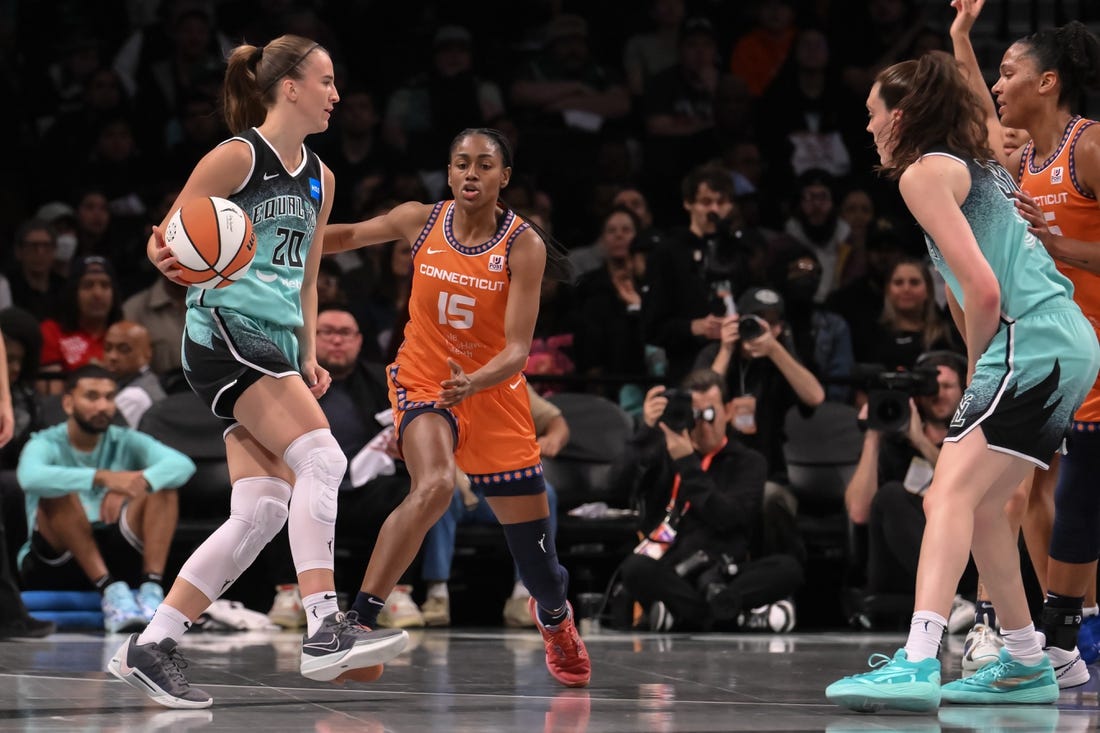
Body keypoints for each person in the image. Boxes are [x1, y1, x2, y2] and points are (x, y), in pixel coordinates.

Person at [106, 35, 409, 711]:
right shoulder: (237, 156)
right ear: (290, 87)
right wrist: (193, 263)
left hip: (272, 342)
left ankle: (152, 642)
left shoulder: (321, 177)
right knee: (324, 460)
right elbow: (165, 241)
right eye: (327, 82)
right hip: (222, 330)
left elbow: (305, 274)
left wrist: (305, 350)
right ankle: (326, 625)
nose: (337, 95)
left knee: (263, 508)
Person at [825, 51, 1099, 711]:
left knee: (943, 494)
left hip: (1027, 341)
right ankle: (1028, 661)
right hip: (1070, 342)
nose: (868, 129)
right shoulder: (976, 165)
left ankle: (918, 657)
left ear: (903, 115)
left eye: (872, 115)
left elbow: (981, 289)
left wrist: (980, 371)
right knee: (981, 507)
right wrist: (960, 35)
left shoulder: (922, 173)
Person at [322, 126, 591, 688]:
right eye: (462, 164)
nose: (472, 174)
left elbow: (518, 351)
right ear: (448, 173)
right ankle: (359, 625)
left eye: (485, 165)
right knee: (435, 485)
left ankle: (557, 620)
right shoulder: (420, 220)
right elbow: (343, 236)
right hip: (424, 379)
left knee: (541, 567)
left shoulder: (524, 246)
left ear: (504, 177)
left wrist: (474, 381)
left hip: (492, 392)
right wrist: (267, 239)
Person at [953, 0, 1100, 685]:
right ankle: (1039, 634)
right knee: (1026, 493)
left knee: (1076, 495)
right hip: (1054, 354)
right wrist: (960, 36)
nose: (1000, 84)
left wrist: (1060, 243)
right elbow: (982, 107)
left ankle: (1064, 632)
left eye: (1012, 72)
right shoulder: (1024, 156)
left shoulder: (1089, 146)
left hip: (1093, 351)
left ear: (1049, 82)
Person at [609, 368, 803, 632]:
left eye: (710, 414)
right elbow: (615, 488)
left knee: (787, 568)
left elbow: (728, 517)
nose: (703, 425)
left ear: (729, 411)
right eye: (696, 415)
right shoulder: (664, 453)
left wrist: (687, 463)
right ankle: (731, 617)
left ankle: (683, 616)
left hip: (724, 571)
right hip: (674, 571)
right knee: (634, 568)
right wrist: (646, 430)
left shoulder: (748, 462)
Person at [16, 365, 192, 632]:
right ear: (68, 402)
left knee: (162, 487)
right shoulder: (44, 442)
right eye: (92, 396)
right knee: (56, 490)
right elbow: (29, 477)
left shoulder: (125, 439)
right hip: (57, 557)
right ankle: (109, 592)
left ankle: (151, 590)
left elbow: (182, 465)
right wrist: (102, 477)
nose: (103, 406)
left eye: (109, 397)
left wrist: (137, 483)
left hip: (115, 552)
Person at [410, 383, 569, 629]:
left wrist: (553, 439)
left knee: (544, 493)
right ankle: (437, 593)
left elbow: (556, 421)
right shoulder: (432, 382)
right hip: (455, 483)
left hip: (498, 487)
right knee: (439, 491)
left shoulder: (508, 381)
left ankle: (525, 594)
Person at [37, 255, 123, 395]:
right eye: (88, 285)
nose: (97, 293)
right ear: (73, 292)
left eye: (105, 285)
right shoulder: (51, 331)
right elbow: (52, 396)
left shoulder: (125, 333)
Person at [102, 321, 165, 428]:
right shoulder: (148, 380)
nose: (112, 356)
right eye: (108, 348)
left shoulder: (134, 396)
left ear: (147, 353)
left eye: (123, 349)